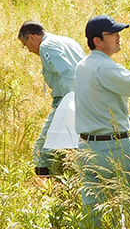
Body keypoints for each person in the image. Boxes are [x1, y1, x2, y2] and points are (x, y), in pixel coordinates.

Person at [73, 15, 130, 229]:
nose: (119, 37)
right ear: (97, 40)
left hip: (87, 148)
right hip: (113, 148)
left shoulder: (83, 66)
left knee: (91, 207)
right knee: (122, 206)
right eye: (113, 33)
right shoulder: (105, 68)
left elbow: (98, 105)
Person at [18, 21, 85, 177]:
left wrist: (69, 106)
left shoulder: (46, 46)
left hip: (68, 101)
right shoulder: (67, 41)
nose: (28, 50)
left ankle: (45, 190)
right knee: (75, 146)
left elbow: (68, 74)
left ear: (31, 37)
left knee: (42, 149)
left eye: (25, 45)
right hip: (84, 98)